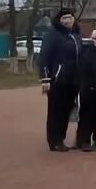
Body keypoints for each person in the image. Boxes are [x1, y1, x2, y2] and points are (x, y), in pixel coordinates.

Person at [38, 8, 82, 152]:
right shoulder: (54, 35)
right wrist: (45, 78)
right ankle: (54, 140)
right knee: (55, 112)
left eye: (70, 17)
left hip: (73, 80)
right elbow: (44, 57)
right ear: (59, 20)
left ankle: (60, 139)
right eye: (64, 18)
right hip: (57, 80)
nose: (68, 21)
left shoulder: (75, 36)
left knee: (65, 111)